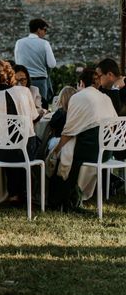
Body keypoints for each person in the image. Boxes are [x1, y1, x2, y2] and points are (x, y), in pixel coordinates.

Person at [50, 68, 117, 210]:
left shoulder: (78, 97)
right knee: (67, 152)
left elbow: (69, 130)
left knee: (63, 153)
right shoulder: (106, 98)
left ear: (81, 82)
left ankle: (59, 200)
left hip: (91, 149)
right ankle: (68, 198)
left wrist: (57, 149)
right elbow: (115, 124)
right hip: (107, 151)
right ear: (97, 83)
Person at [0, 60, 39, 205]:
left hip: (4, 152)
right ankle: (29, 192)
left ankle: (14, 193)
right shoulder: (25, 91)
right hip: (27, 149)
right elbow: (34, 117)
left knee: (7, 143)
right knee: (28, 143)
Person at [14, 18, 56, 109]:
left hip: (23, 80)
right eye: (45, 30)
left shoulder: (19, 43)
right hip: (40, 80)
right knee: (41, 108)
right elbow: (52, 64)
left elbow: (17, 63)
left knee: (24, 107)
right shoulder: (44, 43)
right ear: (38, 30)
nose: (45, 33)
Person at [46, 86, 76, 152]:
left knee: (47, 141)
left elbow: (52, 124)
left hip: (59, 141)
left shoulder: (60, 112)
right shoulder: (76, 113)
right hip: (74, 142)